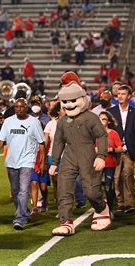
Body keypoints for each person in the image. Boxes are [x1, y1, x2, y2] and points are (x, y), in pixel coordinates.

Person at [50, 79, 111, 236]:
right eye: (65, 101)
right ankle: (66, 221)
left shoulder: (91, 118)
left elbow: (102, 135)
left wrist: (101, 156)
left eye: (73, 100)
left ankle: (101, 207)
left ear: (82, 99)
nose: (69, 104)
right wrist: (54, 162)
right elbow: (58, 141)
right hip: (69, 156)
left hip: (87, 155)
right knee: (63, 189)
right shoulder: (62, 122)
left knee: (91, 190)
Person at [0, 98, 46, 230]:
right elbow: (0, 139)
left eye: (21, 107)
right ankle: (24, 212)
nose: (19, 109)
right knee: (15, 191)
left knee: (23, 190)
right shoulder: (8, 122)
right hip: (11, 161)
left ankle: (19, 219)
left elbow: (42, 143)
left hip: (27, 161)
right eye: (16, 107)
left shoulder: (34, 122)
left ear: (26, 108)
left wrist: (42, 162)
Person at [107, 85, 135, 213]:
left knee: (128, 174)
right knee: (117, 178)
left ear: (129, 96)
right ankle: (120, 202)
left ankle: (129, 203)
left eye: (123, 94)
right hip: (115, 151)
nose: (120, 96)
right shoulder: (111, 112)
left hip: (130, 150)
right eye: (119, 94)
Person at [98, 111, 123, 211]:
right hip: (97, 163)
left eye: (104, 119)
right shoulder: (94, 133)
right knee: (96, 187)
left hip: (110, 163)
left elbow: (120, 148)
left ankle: (110, 209)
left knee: (108, 186)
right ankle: (99, 208)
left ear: (108, 121)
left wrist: (112, 149)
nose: (101, 121)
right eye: (100, 118)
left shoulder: (113, 133)